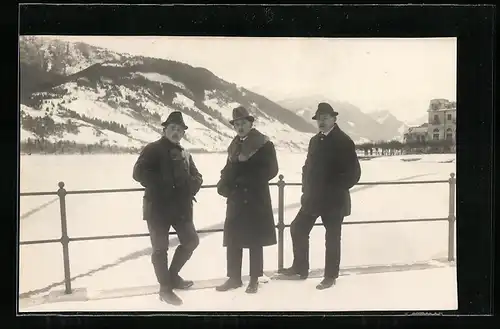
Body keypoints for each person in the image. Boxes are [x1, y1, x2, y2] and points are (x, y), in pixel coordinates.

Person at [279, 102, 361, 290]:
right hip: (313, 198)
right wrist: (305, 190)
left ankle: (330, 276)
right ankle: (300, 268)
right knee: (297, 228)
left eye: (325, 118)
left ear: (334, 119)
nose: (321, 122)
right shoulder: (314, 141)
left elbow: (354, 174)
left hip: (334, 201)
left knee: (332, 238)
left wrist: (333, 188)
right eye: (319, 119)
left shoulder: (344, 141)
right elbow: (307, 168)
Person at [132, 111, 203, 305]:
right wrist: (163, 184)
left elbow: (198, 177)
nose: (176, 132)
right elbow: (138, 173)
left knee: (191, 241)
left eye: (180, 130)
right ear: (164, 129)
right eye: (173, 128)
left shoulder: (185, 153)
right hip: (158, 208)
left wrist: (190, 186)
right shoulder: (152, 149)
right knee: (160, 249)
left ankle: (172, 276)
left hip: (181, 209)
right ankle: (165, 289)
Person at [215, 106, 278, 294]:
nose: (240, 127)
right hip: (236, 197)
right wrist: (223, 183)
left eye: (243, 123)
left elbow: (272, 170)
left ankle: (253, 279)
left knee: (254, 238)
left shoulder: (264, 144)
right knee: (233, 238)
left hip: (255, 196)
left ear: (251, 123)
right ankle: (234, 278)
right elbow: (229, 168)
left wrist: (249, 179)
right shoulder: (233, 145)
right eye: (237, 124)